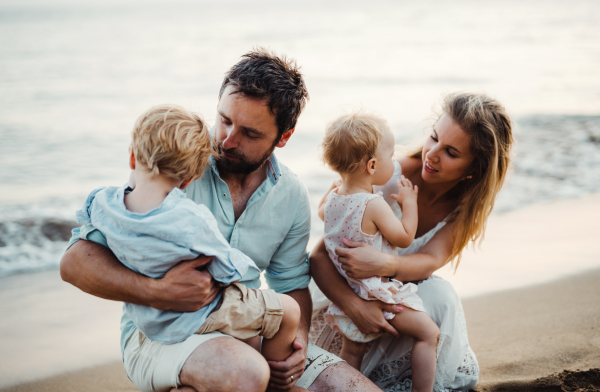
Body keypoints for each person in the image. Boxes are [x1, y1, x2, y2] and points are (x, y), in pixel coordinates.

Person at [61, 49, 388, 392]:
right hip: (159, 335)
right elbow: (74, 263)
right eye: (225, 120)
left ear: (284, 137)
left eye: (250, 133)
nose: (227, 140)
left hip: (246, 326)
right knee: (244, 374)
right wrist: (156, 290)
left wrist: (299, 341)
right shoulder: (175, 169)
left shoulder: (290, 194)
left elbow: (290, 283)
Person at [309, 93, 514, 392]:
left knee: (440, 295)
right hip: (348, 294)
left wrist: (385, 263)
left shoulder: (465, 208)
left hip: (392, 299)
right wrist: (354, 307)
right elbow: (320, 255)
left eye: (451, 152)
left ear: (475, 168)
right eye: (433, 138)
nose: (432, 154)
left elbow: (430, 260)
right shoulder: (384, 174)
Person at [75, 104, 302, 364]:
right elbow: (227, 267)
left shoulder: (102, 202)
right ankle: (276, 382)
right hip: (195, 314)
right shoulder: (189, 218)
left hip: (148, 319)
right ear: (187, 181)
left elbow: (85, 224)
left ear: (132, 157)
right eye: (224, 120)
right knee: (286, 312)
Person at [317, 112, 440, 392]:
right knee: (428, 334)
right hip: (376, 294)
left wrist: (336, 186)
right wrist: (410, 203)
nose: (395, 161)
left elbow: (322, 212)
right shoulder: (373, 204)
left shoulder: (333, 200)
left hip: (349, 295)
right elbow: (405, 237)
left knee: (352, 354)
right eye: (391, 155)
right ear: (372, 165)